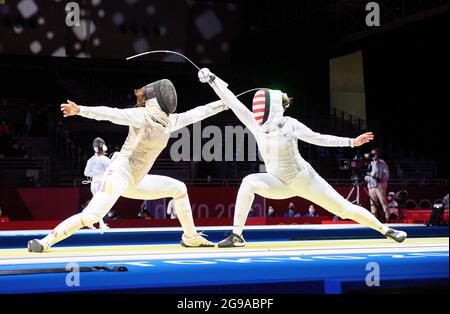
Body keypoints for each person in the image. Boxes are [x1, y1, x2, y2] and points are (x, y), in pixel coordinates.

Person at [198, 68, 407, 247]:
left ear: (272, 106)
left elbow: (318, 138)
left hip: (306, 180)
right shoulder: (256, 125)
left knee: (344, 209)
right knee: (248, 182)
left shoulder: (290, 124)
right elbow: (232, 101)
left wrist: (351, 142)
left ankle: (386, 229)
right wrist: (212, 79)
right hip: (279, 182)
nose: (256, 108)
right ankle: (237, 235)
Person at [27, 79, 228, 252]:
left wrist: (225, 103)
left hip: (136, 180)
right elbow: (111, 114)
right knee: (92, 215)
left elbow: (199, 112)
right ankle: (45, 242)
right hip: (119, 173)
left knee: (179, 189)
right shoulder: (141, 115)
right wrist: (80, 110)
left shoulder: (171, 121)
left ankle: (191, 237)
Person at [84, 137, 111, 229]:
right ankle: (100, 223)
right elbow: (111, 171)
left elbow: (86, 173)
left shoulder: (91, 160)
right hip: (101, 183)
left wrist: (95, 174)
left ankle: (94, 222)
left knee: (96, 203)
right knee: (100, 203)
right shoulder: (106, 159)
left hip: (94, 183)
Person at [365, 148, 390, 222]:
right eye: (372, 154)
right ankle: (374, 220)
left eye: (374, 153)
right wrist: (368, 179)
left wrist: (381, 179)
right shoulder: (370, 163)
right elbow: (366, 175)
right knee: (372, 203)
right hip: (371, 186)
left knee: (383, 202)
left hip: (380, 186)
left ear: (378, 154)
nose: (373, 155)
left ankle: (387, 218)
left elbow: (387, 174)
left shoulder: (382, 163)